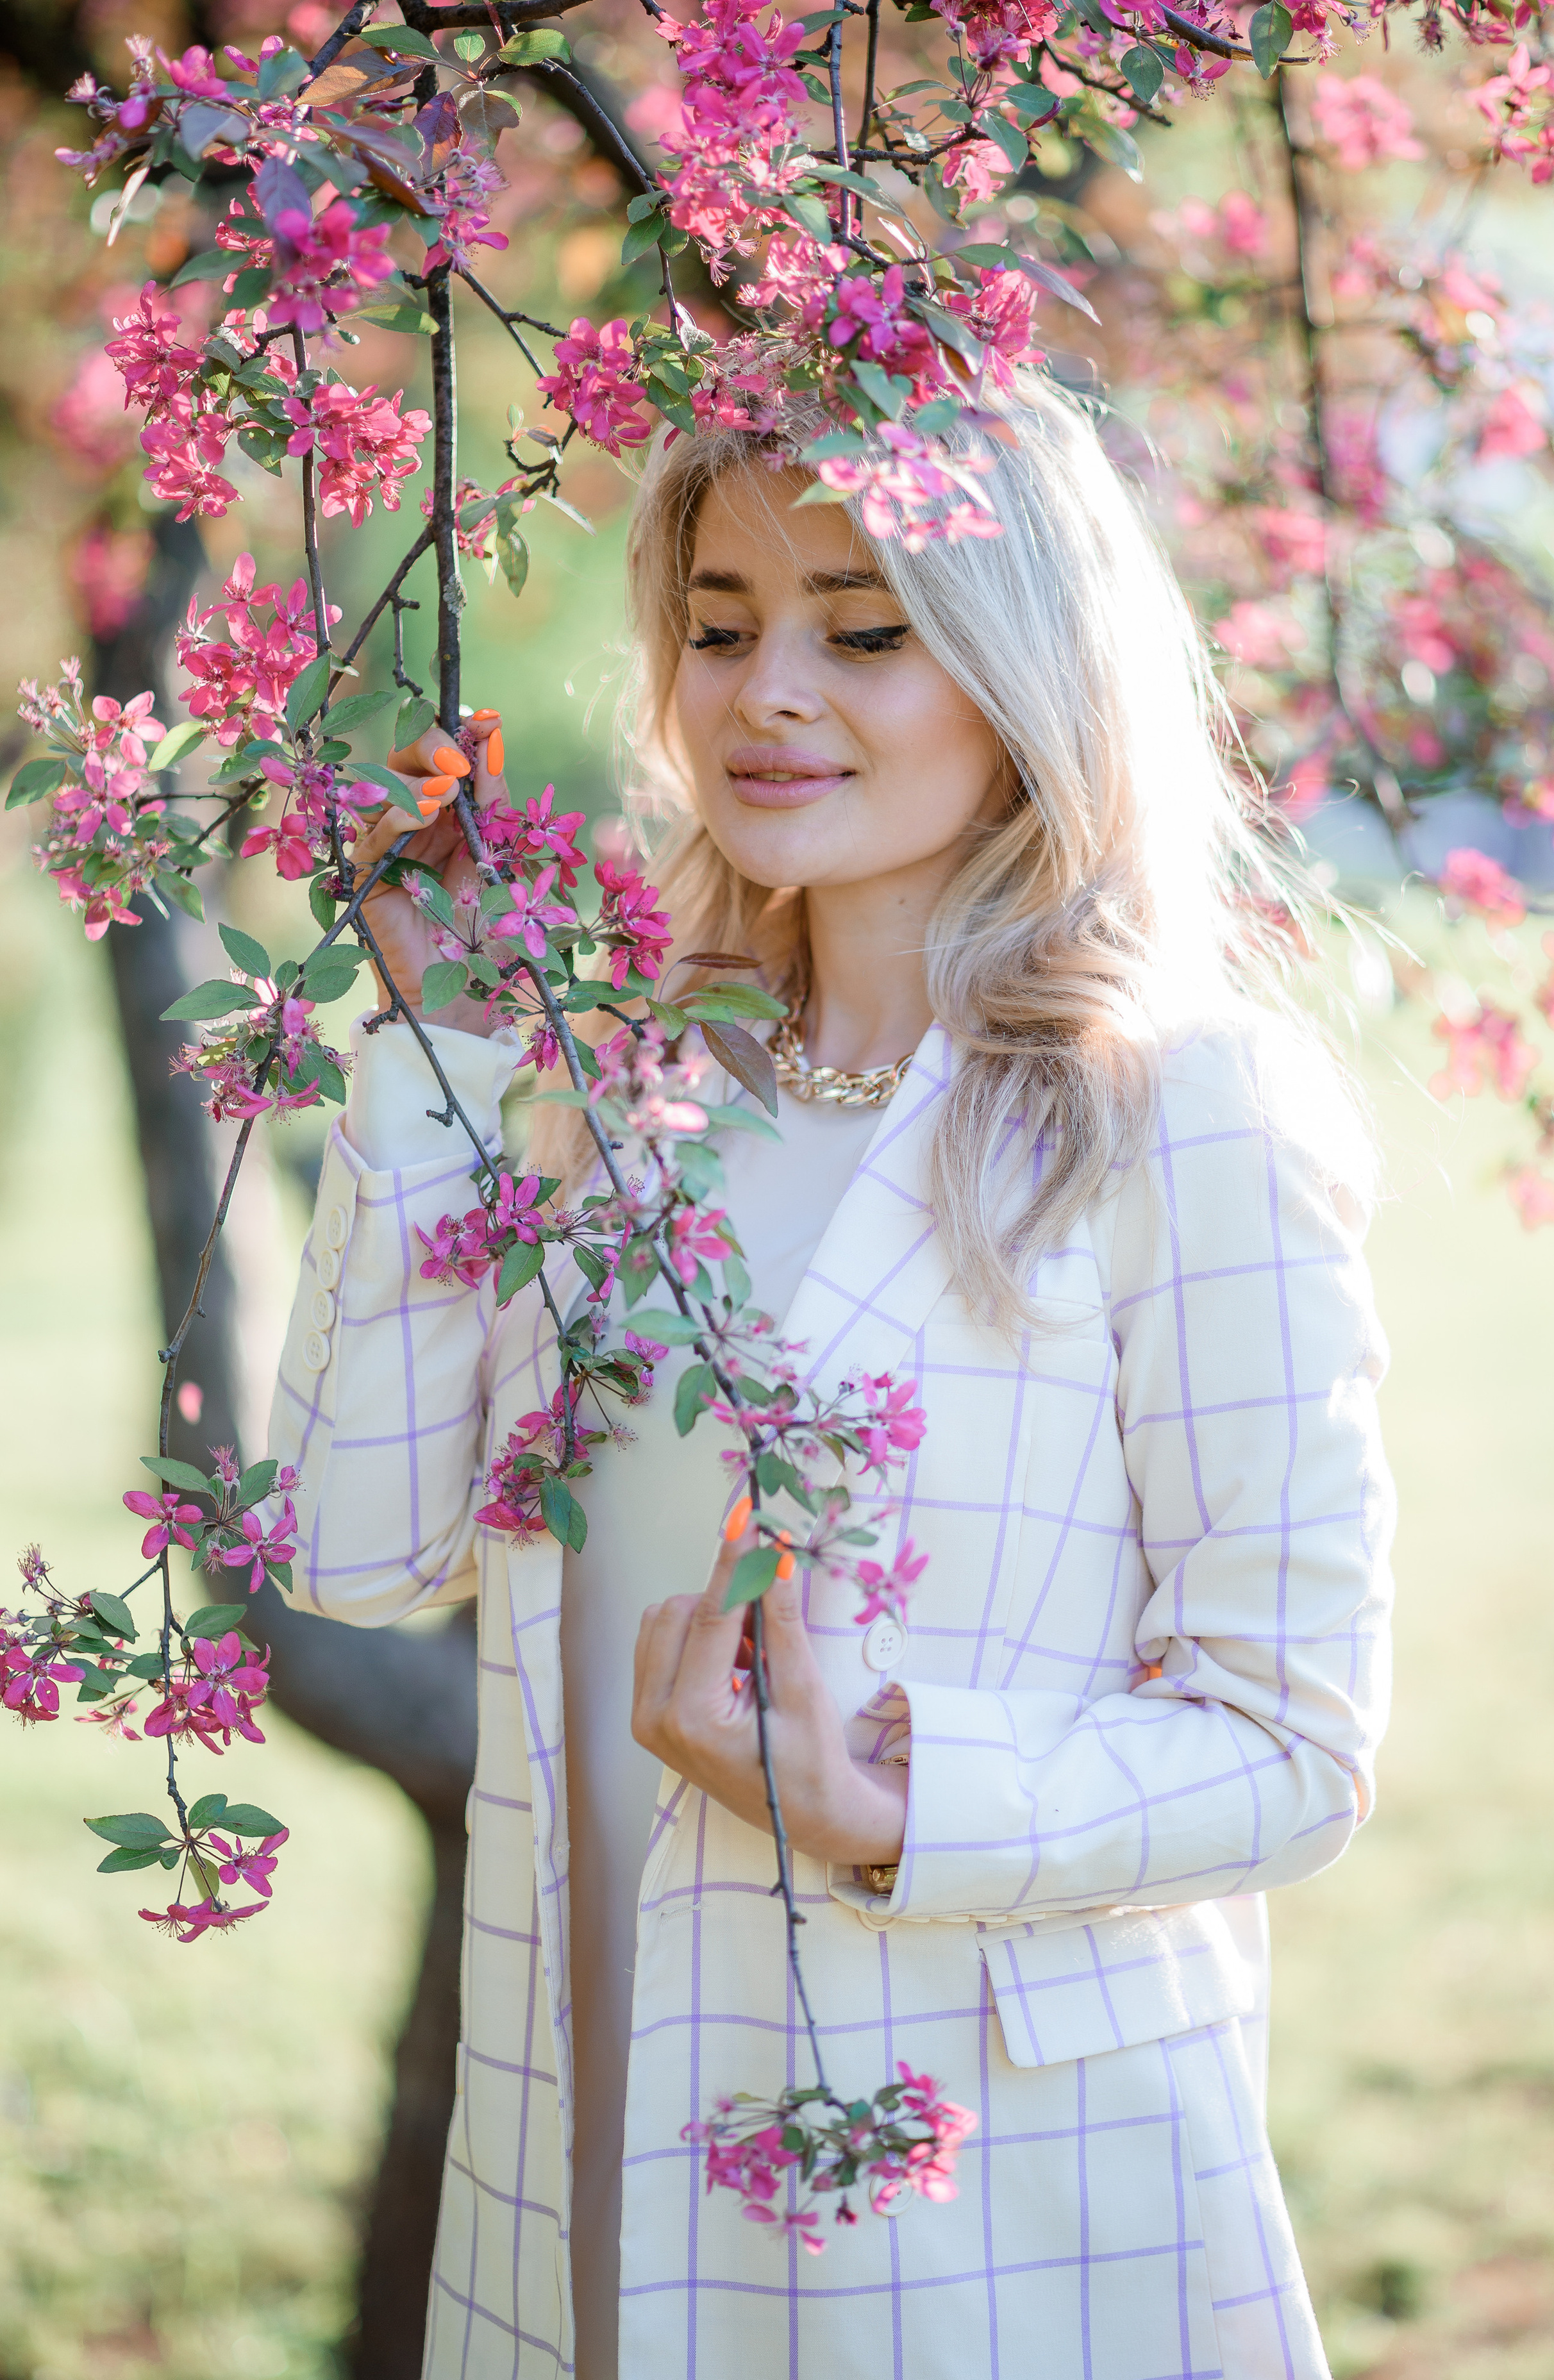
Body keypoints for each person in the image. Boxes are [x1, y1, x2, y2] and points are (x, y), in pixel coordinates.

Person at [269, 373, 1394, 2380]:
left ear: (1024, 671)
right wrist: (437, 1050)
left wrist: (888, 1802)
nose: (768, 692)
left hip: (979, 2201)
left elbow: (1292, 1740)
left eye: (864, 631)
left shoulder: (1183, 1108)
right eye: (721, 626)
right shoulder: (615, 1085)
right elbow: (354, 1557)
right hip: (581, 2146)